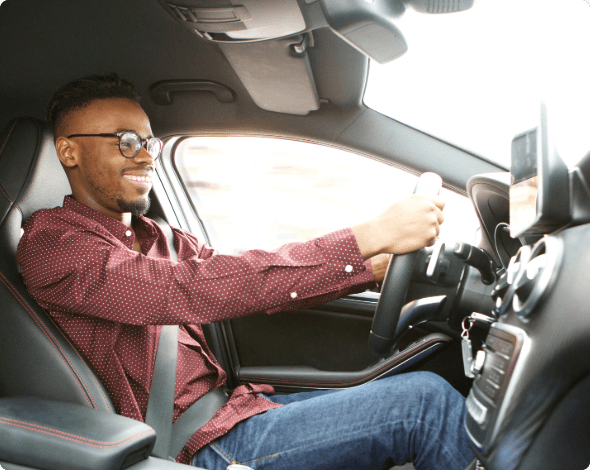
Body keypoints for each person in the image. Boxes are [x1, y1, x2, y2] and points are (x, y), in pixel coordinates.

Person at [17, 74, 474, 469]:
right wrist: (369, 234)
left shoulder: (160, 236)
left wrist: (370, 269)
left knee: (428, 377)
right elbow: (188, 289)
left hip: (236, 411)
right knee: (423, 405)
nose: (145, 156)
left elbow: (245, 282)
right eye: (126, 141)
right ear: (69, 151)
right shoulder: (54, 247)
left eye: (148, 141)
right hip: (196, 448)